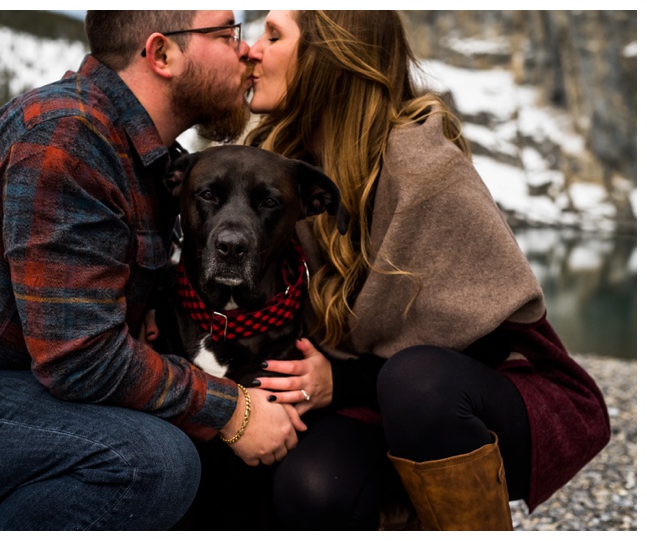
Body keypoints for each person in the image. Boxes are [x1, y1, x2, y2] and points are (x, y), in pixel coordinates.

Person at [0, 10, 305, 531]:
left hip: (0, 386)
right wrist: (234, 410)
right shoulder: (65, 139)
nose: (246, 50)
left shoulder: (147, 156)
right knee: (150, 464)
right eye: (229, 34)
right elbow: (81, 361)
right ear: (162, 54)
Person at [231, 10, 609, 530]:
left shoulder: (421, 165)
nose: (249, 49)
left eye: (273, 36)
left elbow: (485, 341)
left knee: (418, 386)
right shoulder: (280, 165)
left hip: (492, 388)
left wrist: (341, 381)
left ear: (330, 57)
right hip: (370, 394)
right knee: (311, 488)